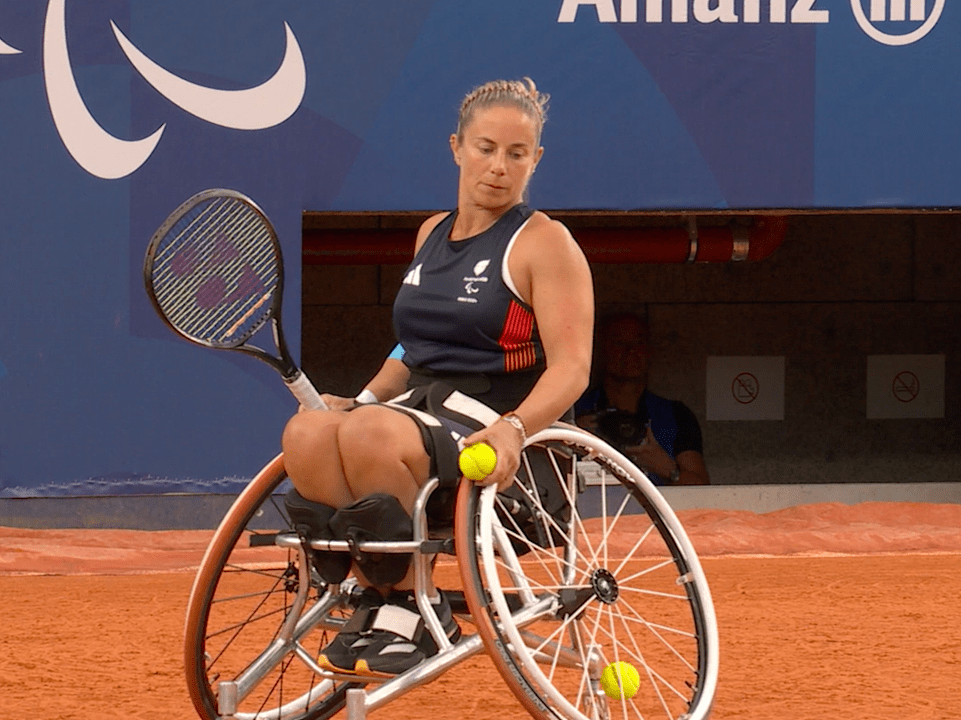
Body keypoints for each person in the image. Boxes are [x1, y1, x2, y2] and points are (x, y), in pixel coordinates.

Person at [279, 78, 593, 680]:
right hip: (417, 413)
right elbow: (413, 347)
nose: (499, 167)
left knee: (372, 435)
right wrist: (363, 398)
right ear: (456, 147)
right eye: (485, 148)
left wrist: (513, 429)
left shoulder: (544, 244)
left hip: (501, 433)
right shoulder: (429, 234)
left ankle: (413, 609)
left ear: (536, 160)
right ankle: (374, 596)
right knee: (308, 432)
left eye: (516, 154)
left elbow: (573, 368)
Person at [575, 312, 709, 486]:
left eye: (638, 342)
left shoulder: (675, 415)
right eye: (618, 343)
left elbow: (702, 491)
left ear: (649, 351)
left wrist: (667, 468)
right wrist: (575, 438)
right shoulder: (576, 412)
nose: (630, 351)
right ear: (601, 350)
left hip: (658, 509)